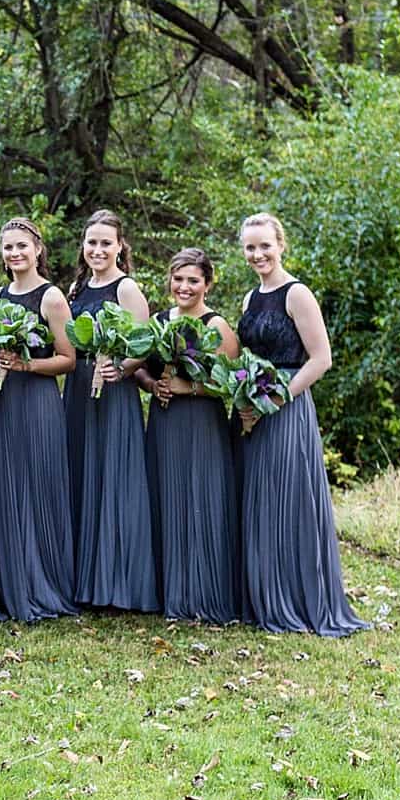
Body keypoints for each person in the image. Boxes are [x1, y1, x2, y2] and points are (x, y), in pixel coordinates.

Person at [235, 212, 370, 637]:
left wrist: (276, 399)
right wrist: (243, 399)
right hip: (251, 410)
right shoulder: (249, 299)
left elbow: (321, 359)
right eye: (250, 247)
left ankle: (295, 599)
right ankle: (263, 596)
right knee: (258, 501)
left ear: (281, 245)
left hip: (287, 408)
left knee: (286, 501)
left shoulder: (297, 294)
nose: (258, 254)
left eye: (264, 246)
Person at [0, 218, 79, 621]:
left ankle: (39, 583)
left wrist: (26, 364)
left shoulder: (51, 298)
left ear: (38, 249)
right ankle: (3, 584)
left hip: (36, 400)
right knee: (1, 483)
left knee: (34, 486)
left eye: (22, 246)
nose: (15, 254)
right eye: (8, 248)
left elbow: (68, 359)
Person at [144, 247, 249, 625]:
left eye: (193, 280)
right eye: (178, 279)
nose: (184, 287)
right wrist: (153, 384)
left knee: (200, 497)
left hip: (202, 423)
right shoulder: (158, 321)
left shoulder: (216, 325)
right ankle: (166, 590)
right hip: (163, 421)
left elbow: (231, 381)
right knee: (167, 495)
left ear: (207, 283)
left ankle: (203, 592)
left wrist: (188, 389)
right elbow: (142, 368)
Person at [64, 209, 158, 612]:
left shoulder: (127, 289)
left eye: (106, 242)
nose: (98, 249)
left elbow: (143, 344)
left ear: (120, 246)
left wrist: (120, 369)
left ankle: (116, 584)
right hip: (79, 389)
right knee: (81, 473)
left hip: (115, 393)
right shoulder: (76, 288)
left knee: (113, 476)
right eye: (92, 242)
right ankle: (82, 579)